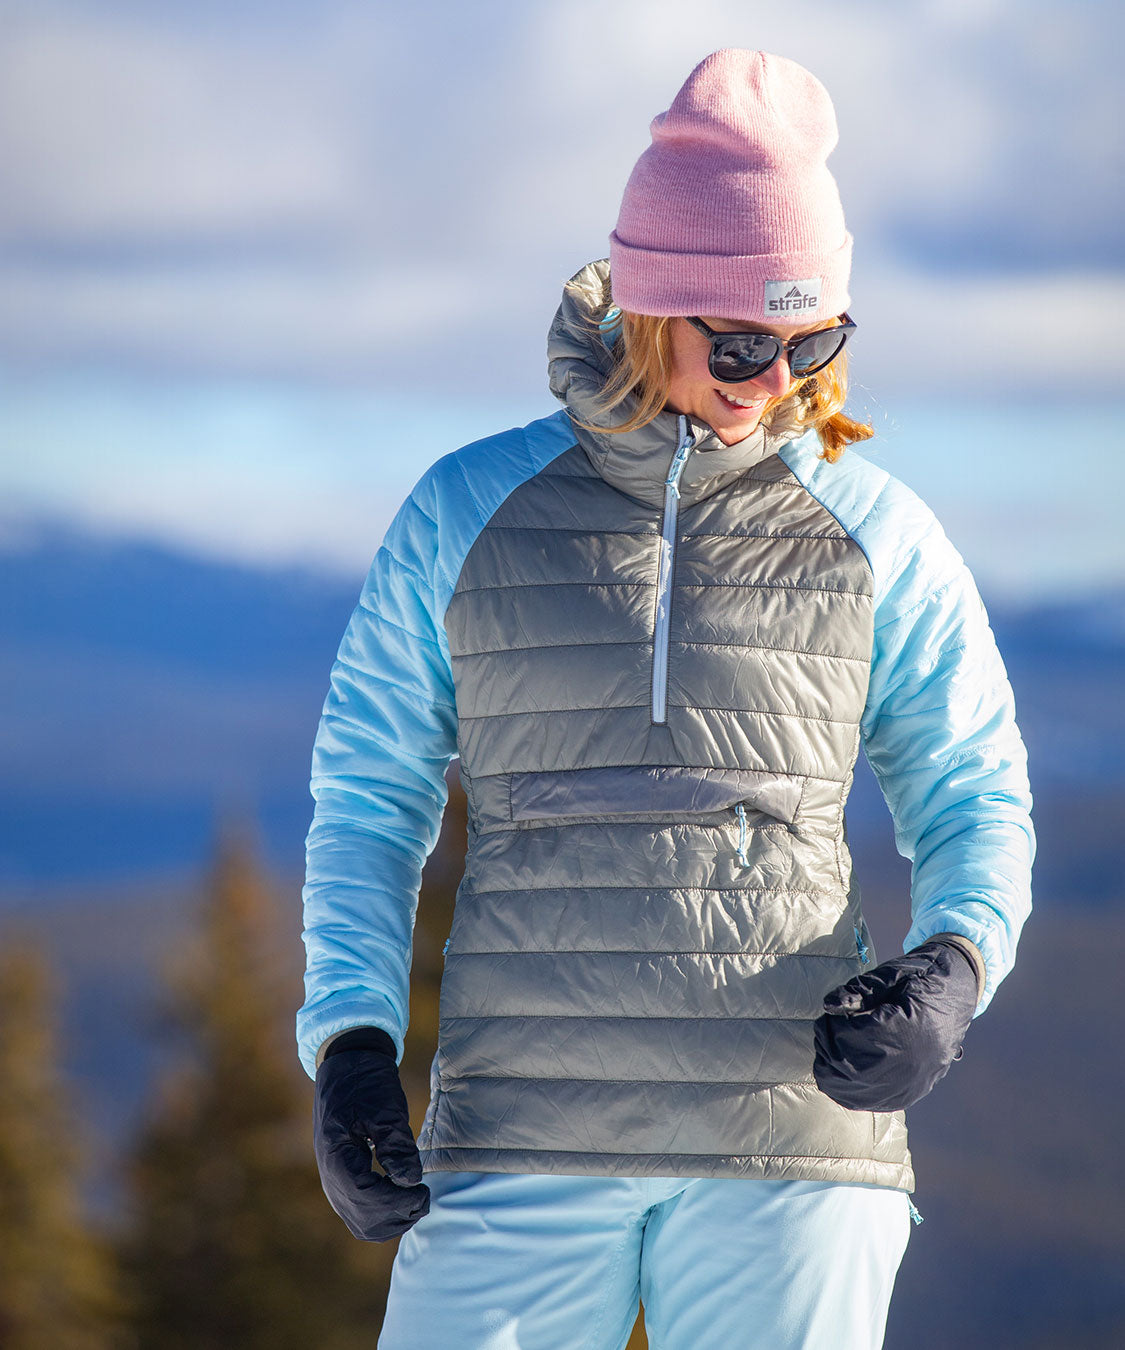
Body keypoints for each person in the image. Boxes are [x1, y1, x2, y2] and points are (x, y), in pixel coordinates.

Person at [297, 48, 1034, 1350]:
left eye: (813, 340)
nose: (773, 377)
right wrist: (351, 1040)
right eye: (741, 338)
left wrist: (957, 963)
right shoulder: (469, 513)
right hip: (517, 1132)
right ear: (647, 308)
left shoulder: (875, 532)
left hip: (794, 1144)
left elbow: (973, 785)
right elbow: (368, 798)